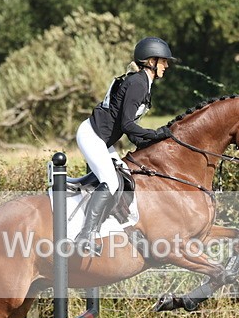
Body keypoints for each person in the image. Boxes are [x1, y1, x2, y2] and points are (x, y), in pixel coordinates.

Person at [75, 37, 176, 251]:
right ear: (151, 61)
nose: (166, 66)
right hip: (92, 135)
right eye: (163, 61)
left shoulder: (143, 84)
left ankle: (117, 228)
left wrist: (151, 142)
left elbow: (130, 131)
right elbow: (128, 125)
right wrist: (156, 134)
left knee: (125, 180)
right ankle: (86, 236)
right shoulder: (137, 83)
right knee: (111, 183)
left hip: (102, 140)